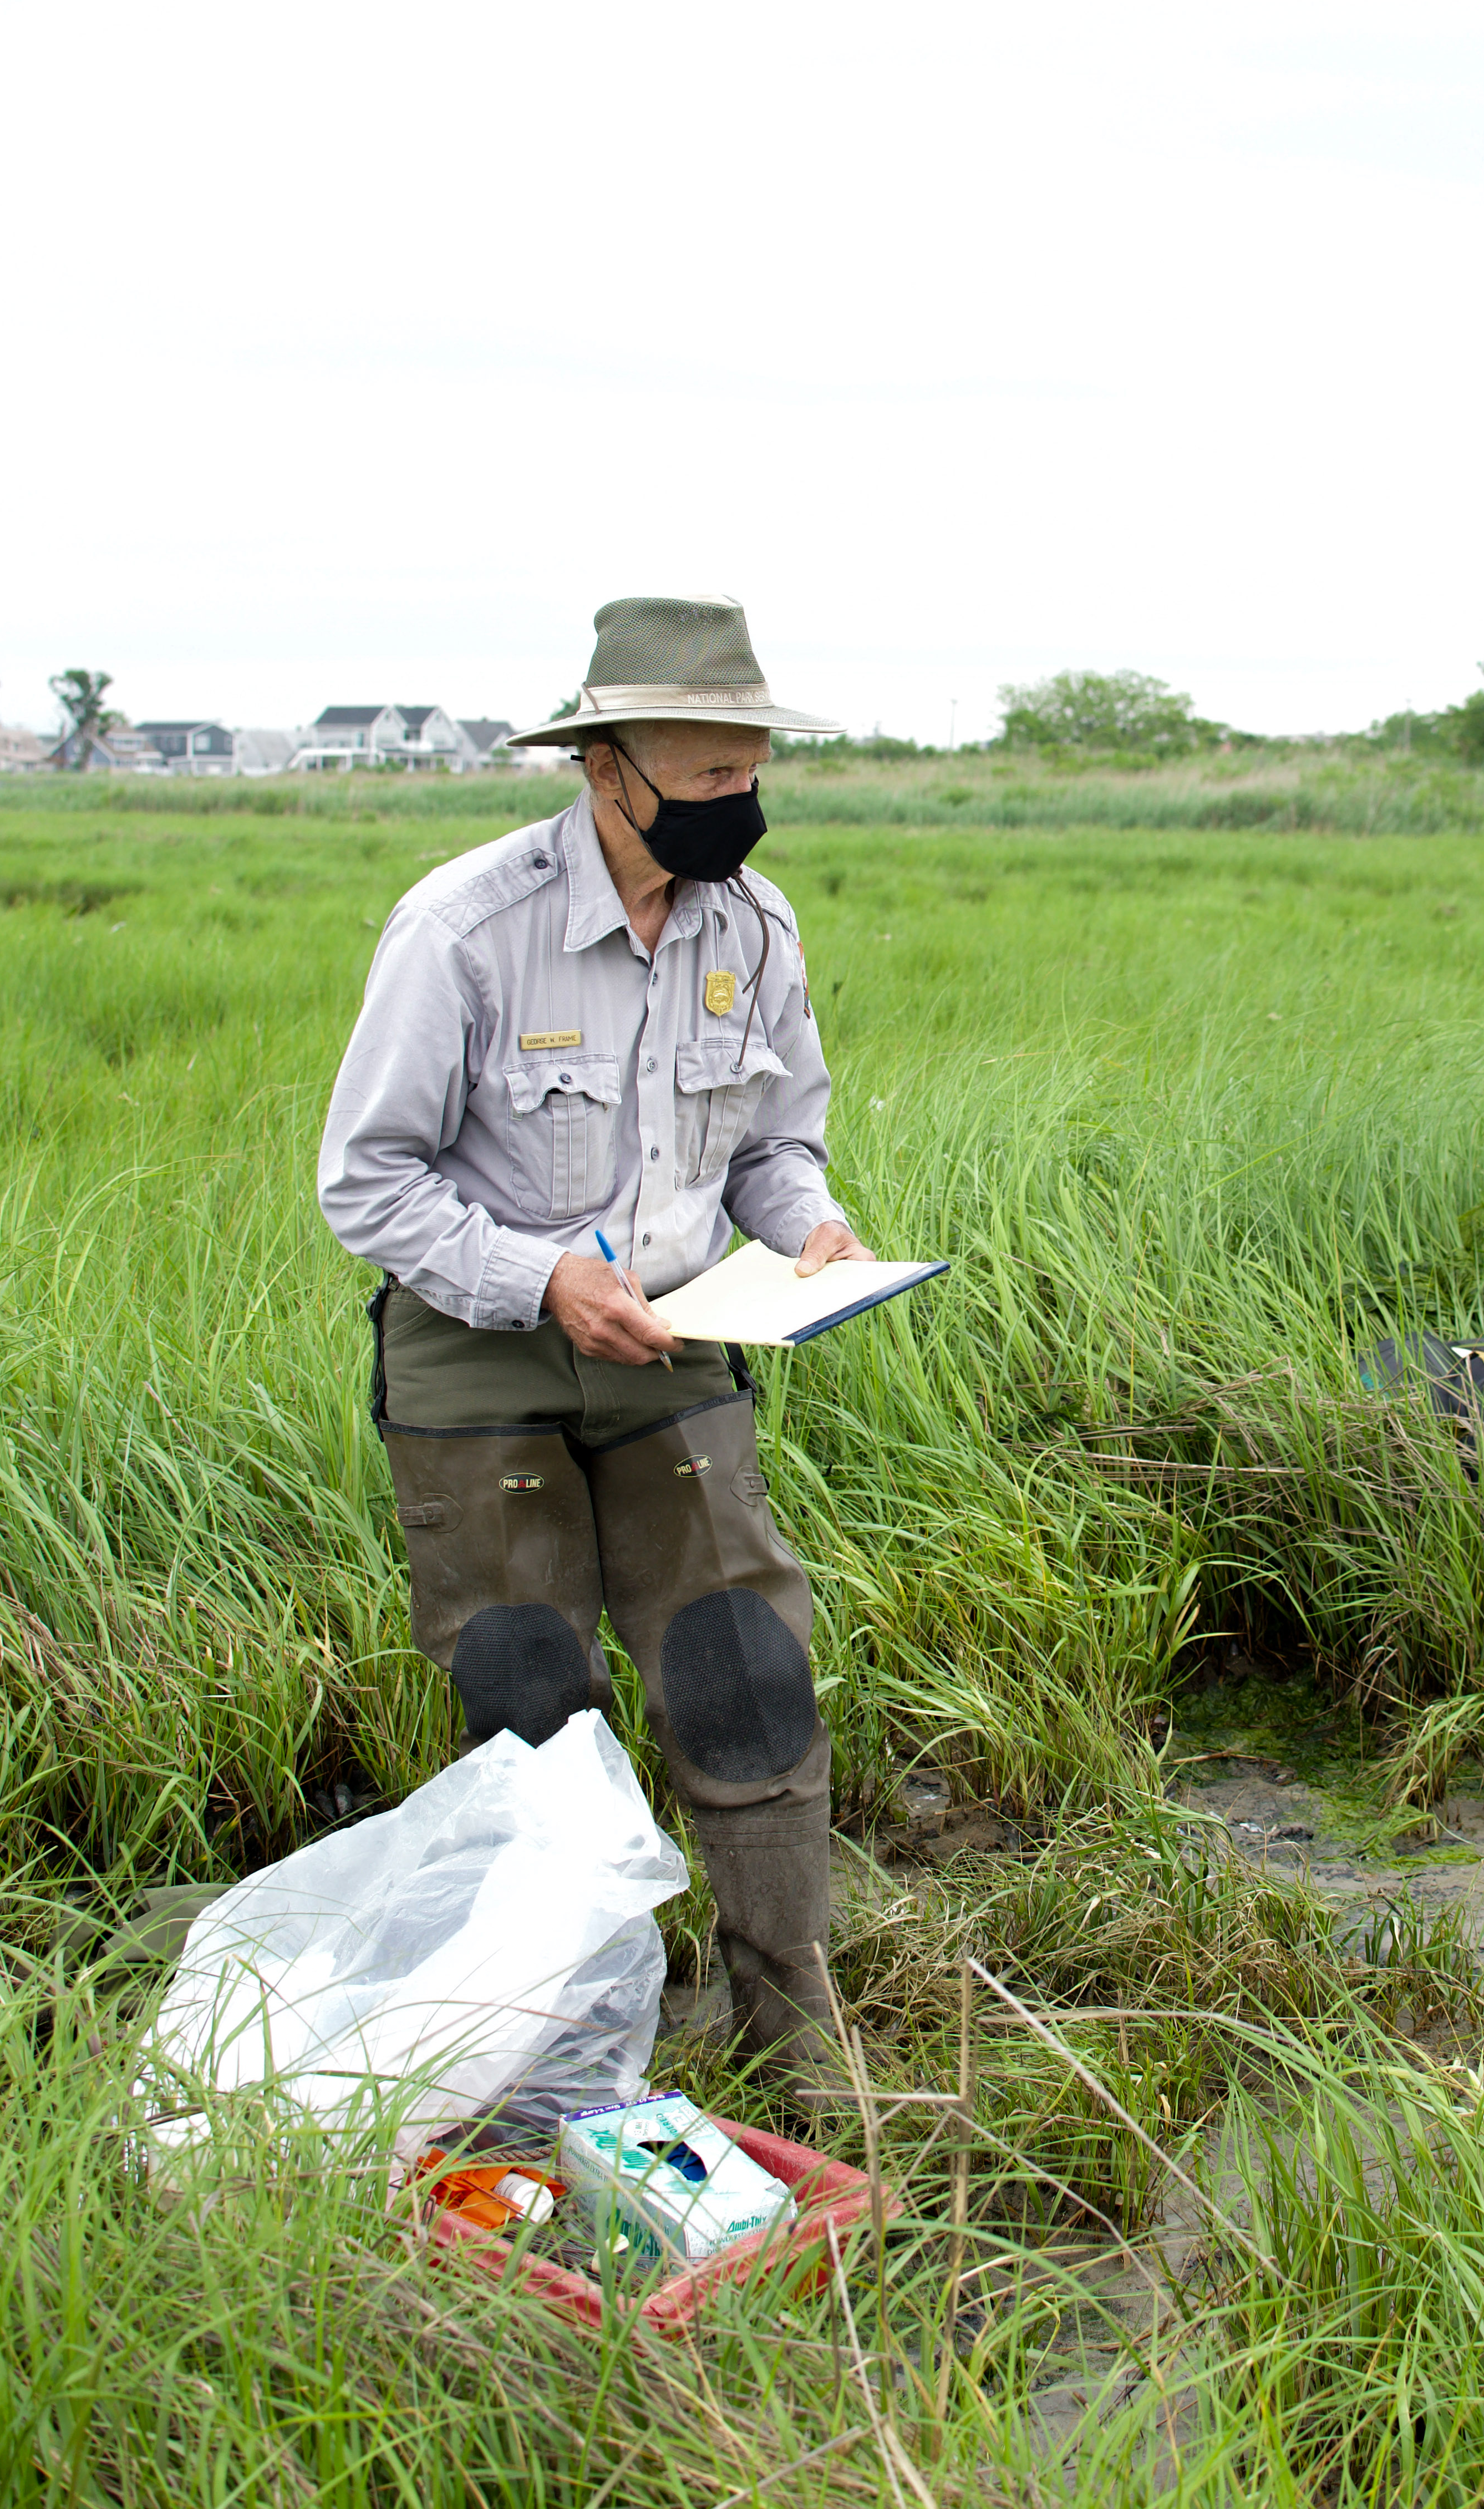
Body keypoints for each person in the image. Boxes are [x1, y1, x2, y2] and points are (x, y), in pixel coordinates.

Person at [316, 595, 871, 2076]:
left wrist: (808, 1222)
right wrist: (543, 1279)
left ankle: (797, 2060)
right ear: (603, 766)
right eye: (703, 782)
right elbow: (367, 1180)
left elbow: (775, 1141)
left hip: (679, 1343)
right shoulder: (466, 929)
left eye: (749, 775)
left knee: (746, 1678)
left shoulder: (753, 927)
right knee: (529, 1712)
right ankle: (549, 2065)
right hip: (481, 1357)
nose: (735, 807)